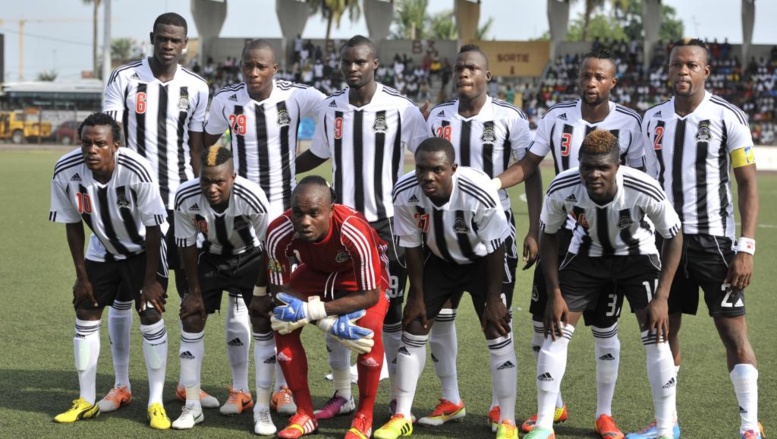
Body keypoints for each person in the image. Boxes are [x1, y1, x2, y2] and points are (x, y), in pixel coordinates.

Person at [495, 48, 649, 438]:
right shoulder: (555, 117)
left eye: (599, 77)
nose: (591, 83)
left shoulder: (630, 122)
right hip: (560, 232)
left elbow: (642, 181)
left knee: (604, 328)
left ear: (612, 82)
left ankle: (604, 413)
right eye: (586, 76)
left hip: (609, 238)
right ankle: (556, 407)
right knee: (543, 323)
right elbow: (529, 165)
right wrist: (494, 184)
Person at [295, 35, 428, 417]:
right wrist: (280, 170)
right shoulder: (330, 108)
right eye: (347, 63)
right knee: (335, 307)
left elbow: (425, 157)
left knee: (392, 310)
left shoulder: (401, 107)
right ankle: (342, 393)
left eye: (360, 62)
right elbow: (318, 153)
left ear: (375, 65)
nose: (353, 68)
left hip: (387, 224)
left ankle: (396, 400)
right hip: (340, 225)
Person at [637, 38, 762, 439]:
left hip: (715, 243)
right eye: (676, 65)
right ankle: (667, 425)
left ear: (706, 71)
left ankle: (748, 427)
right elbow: (641, 181)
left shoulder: (730, 116)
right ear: (668, 70)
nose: (683, 71)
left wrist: (745, 247)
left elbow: (748, 186)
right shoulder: (651, 119)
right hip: (663, 241)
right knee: (663, 330)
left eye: (691, 65)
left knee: (733, 332)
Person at [523, 130, 683, 439]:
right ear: (579, 163)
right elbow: (549, 234)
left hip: (637, 258)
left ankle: (665, 429)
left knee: (656, 337)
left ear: (618, 165)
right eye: (588, 166)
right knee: (555, 332)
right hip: (586, 256)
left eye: (604, 168)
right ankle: (544, 425)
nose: (595, 174)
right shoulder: (563, 186)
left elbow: (674, 235)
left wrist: (662, 296)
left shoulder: (642, 187)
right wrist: (554, 292)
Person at [424, 44, 542, 432]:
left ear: (487, 76)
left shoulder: (509, 116)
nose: (464, 73)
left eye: (472, 68)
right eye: (459, 68)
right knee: (440, 317)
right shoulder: (439, 116)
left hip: (494, 231)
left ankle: (498, 406)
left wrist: (533, 226)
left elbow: (529, 167)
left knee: (496, 317)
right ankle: (451, 398)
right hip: (443, 231)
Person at [203, 39, 325, 416]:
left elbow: (338, 115)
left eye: (260, 66)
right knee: (239, 301)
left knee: (282, 300)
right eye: (247, 66)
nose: (253, 73)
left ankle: (284, 389)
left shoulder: (299, 96)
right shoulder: (226, 101)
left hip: (284, 216)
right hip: (239, 214)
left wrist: (296, 167)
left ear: (275, 68)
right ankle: (239, 389)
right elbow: (208, 146)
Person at [101, 12, 216, 411]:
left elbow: (198, 149)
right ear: (152, 38)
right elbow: (111, 140)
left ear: (185, 44)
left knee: (189, 294)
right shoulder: (124, 79)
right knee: (124, 295)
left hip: (180, 204)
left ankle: (189, 384)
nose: (169, 45)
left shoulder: (198, 87)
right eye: (163, 38)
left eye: (176, 40)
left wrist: (201, 198)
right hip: (133, 205)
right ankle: (120, 384)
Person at [374, 138, 518, 439]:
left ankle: (507, 420)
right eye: (422, 168)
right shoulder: (404, 191)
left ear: (452, 169)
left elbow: (496, 246)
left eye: (437, 169)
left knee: (497, 329)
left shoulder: (479, 192)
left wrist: (493, 297)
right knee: (414, 323)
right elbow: (412, 244)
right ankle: (403, 414)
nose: (428, 176)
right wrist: (417, 293)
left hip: (484, 261)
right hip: (439, 259)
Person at [49, 113, 172, 429]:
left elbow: (155, 226)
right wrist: (82, 276)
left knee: (149, 313)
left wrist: (151, 281)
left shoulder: (136, 169)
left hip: (143, 249)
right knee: (85, 309)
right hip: (102, 248)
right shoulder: (65, 169)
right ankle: (86, 400)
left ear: (115, 145)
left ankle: (156, 403)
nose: (91, 149)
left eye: (100, 143)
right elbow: (73, 224)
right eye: (86, 142)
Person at [255, 175, 390, 439]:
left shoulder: (353, 228)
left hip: (358, 279)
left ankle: (364, 416)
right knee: (283, 323)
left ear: (330, 209)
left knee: (369, 332)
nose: (305, 221)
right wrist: (325, 319)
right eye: (298, 212)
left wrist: (313, 312)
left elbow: (370, 295)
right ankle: (304, 413)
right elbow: (279, 291)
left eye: (314, 213)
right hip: (315, 273)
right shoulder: (278, 231)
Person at [170, 145, 273, 431]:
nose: (212, 188)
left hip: (251, 257)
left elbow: (269, 247)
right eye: (206, 180)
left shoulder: (251, 195)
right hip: (212, 256)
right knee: (191, 315)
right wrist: (194, 293)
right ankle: (192, 405)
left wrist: (263, 291)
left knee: (263, 319)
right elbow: (186, 245)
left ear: (233, 178)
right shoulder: (185, 195)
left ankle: (262, 408)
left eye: (219, 181)